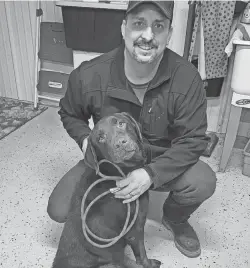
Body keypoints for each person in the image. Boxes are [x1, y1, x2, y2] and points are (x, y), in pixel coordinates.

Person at [47, 0, 217, 258]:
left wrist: (151, 174)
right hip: (109, 161)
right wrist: (85, 141)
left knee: (202, 181)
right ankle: (114, 218)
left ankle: (176, 218)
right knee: (58, 209)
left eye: (158, 26)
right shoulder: (89, 74)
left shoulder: (187, 78)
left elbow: (192, 140)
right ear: (124, 27)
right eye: (139, 24)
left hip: (162, 157)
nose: (148, 35)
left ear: (169, 33)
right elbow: (70, 113)